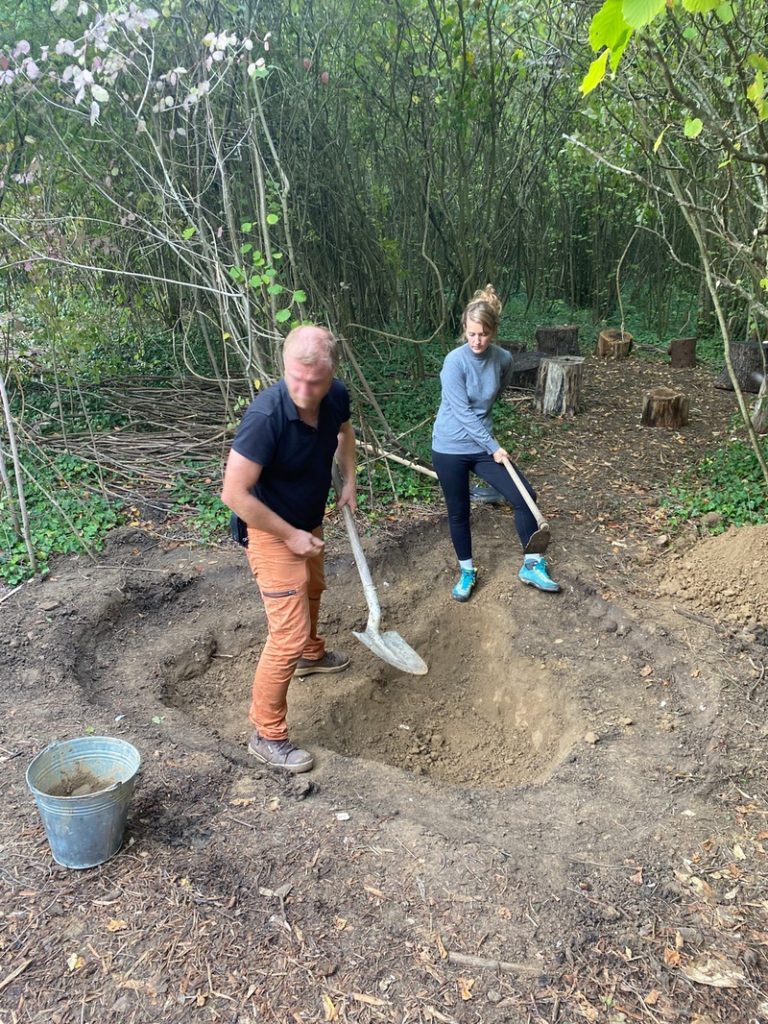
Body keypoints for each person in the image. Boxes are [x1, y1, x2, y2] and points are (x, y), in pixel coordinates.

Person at [221, 325, 357, 773]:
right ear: (284, 369)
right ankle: (267, 734)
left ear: (330, 373)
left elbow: (344, 431)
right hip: (270, 528)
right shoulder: (266, 418)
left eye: (314, 382)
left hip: (307, 520)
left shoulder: (335, 395)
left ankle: (312, 656)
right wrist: (290, 535)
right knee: (286, 634)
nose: (303, 390)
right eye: (295, 378)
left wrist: (350, 478)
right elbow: (234, 494)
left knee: (314, 587)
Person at [431, 285, 560, 601]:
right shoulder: (454, 362)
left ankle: (531, 564)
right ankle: (466, 571)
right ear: (464, 330)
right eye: (472, 333)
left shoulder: (502, 359)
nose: (477, 341)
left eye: (484, 334)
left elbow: (493, 397)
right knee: (459, 511)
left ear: (493, 332)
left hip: (481, 445)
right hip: (448, 447)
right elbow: (462, 412)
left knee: (524, 495)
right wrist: (492, 445)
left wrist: (487, 444)